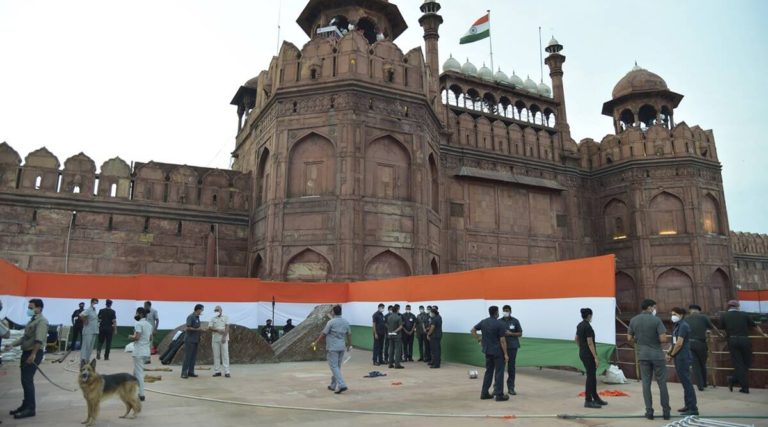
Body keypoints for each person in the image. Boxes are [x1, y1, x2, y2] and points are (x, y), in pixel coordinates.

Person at [4, 298, 48, 420]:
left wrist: (33, 354)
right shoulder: (32, 321)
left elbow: (39, 340)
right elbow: (25, 338)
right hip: (26, 352)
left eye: (31, 307)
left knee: (27, 380)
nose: (29, 310)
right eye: (29, 307)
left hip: (33, 353)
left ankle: (30, 409)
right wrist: (12, 344)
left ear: (39, 308)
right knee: (24, 380)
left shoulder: (42, 322)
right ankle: (25, 405)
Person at [628, 299, 670, 421]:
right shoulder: (656, 320)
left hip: (643, 355)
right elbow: (663, 339)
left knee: (646, 384)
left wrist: (639, 340)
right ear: (650, 308)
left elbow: (629, 338)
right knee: (662, 383)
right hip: (657, 355)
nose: (654, 309)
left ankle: (649, 412)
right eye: (654, 307)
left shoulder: (634, 320)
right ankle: (666, 412)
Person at [720, 300, 768, 394]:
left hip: (732, 340)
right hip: (744, 339)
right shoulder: (744, 314)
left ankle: (734, 379)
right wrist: (763, 334)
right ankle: (742, 386)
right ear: (737, 307)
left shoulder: (724, 316)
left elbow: (723, 330)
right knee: (747, 362)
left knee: (738, 364)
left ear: (728, 307)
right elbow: (755, 326)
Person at [471, 306, 509, 401]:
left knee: (488, 372)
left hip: (487, 351)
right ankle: (499, 395)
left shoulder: (484, 321)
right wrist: (505, 354)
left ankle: (484, 393)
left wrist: (479, 340)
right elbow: (502, 340)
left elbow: (473, 330)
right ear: (496, 313)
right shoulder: (500, 324)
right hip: (497, 352)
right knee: (499, 373)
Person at [312, 304, 352, 394]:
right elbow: (349, 334)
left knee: (334, 367)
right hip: (342, 347)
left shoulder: (331, 322)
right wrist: (349, 345)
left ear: (333, 312)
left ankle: (342, 384)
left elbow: (324, 333)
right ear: (341, 312)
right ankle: (333, 385)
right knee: (337, 367)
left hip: (333, 347)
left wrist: (316, 342)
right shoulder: (345, 322)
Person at [667, 307, 698, 416]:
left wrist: (672, 354)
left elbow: (679, 343)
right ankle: (688, 405)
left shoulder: (683, 326)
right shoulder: (677, 325)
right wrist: (669, 352)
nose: (673, 316)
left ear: (681, 315)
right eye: (672, 314)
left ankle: (693, 408)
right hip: (678, 356)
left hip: (683, 357)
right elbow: (674, 342)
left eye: (675, 314)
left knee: (687, 382)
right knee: (685, 383)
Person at [576, 308, 606, 408]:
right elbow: (590, 342)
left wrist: (581, 347)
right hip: (589, 354)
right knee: (590, 377)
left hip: (583, 353)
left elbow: (576, 339)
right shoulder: (588, 327)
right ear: (589, 315)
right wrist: (595, 357)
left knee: (592, 376)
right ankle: (588, 400)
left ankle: (595, 397)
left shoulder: (580, 325)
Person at [686, 304, 720, 391]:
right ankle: (704, 383)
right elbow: (712, 327)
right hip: (701, 343)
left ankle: (700, 385)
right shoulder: (704, 317)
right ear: (699, 310)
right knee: (702, 364)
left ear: (690, 310)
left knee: (695, 365)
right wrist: (720, 334)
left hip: (689, 343)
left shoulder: (686, 318)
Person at [129, 307, 152, 402]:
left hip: (139, 352)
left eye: (136, 313)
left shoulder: (138, 324)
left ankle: (141, 394)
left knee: (139, 374)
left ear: (140, 314)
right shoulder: (149, 324)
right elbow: (150, 338)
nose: (136, 315)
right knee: (135, 373)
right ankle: (131, 389)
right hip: (146, 351)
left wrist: (130, 337)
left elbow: (137, 337)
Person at [499, 305, 523, 395]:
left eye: (507, 310)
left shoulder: (515, 321)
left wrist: (511, 333)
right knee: (500, 368)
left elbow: (520, 333)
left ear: (510, 311)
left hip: (512, 347)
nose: (506, 312)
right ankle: (497, 388)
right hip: (501, 348)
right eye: (504, 310)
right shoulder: (499, 321)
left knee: (511, 368)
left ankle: (511, 388)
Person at [181, 304, 204, 379]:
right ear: (198, 309)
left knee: (193, 357)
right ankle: (184, 372)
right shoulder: (191, 316)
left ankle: (191, 371)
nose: (202, 311)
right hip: (189, 340)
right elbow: (188, 327)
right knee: (187, 357)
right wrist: (197, 329)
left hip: (195, 340)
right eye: (201, 310)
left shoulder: (198, 317)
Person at [209, 305, 230, 378]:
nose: (216, 311)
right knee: (216, 355)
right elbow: (210, 328)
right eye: (215, 310)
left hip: (224, 339)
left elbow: (227, 327)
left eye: (218, 310)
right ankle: (217, 371)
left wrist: (224, 337)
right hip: (215, 339)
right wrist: (217, 330)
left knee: (225, 355)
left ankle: (227, 371)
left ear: (221, 310)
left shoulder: (226, 317)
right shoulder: (212, 318)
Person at [79, 298, 99, 362]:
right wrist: (85, 321)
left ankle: (87, 360)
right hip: (88, 331)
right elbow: (81, 315)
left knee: (90, 347)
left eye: (96, 303)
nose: (96, 304)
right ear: (92, 302)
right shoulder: (89, 309)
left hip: (94, 330)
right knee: (86, 346)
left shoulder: (94, 310)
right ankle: (83, 360)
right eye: (95, 302)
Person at [386, 304, 404, 369]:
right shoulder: (398, 317)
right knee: (398, 350)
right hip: (397, 336)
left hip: (390, 335)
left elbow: (387, 325)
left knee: (391, 349)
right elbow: (401, 326)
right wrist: (395, 331)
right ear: (397, 310)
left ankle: (390, 364)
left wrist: (390, 331)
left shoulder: (389, 317)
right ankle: (397, 364)